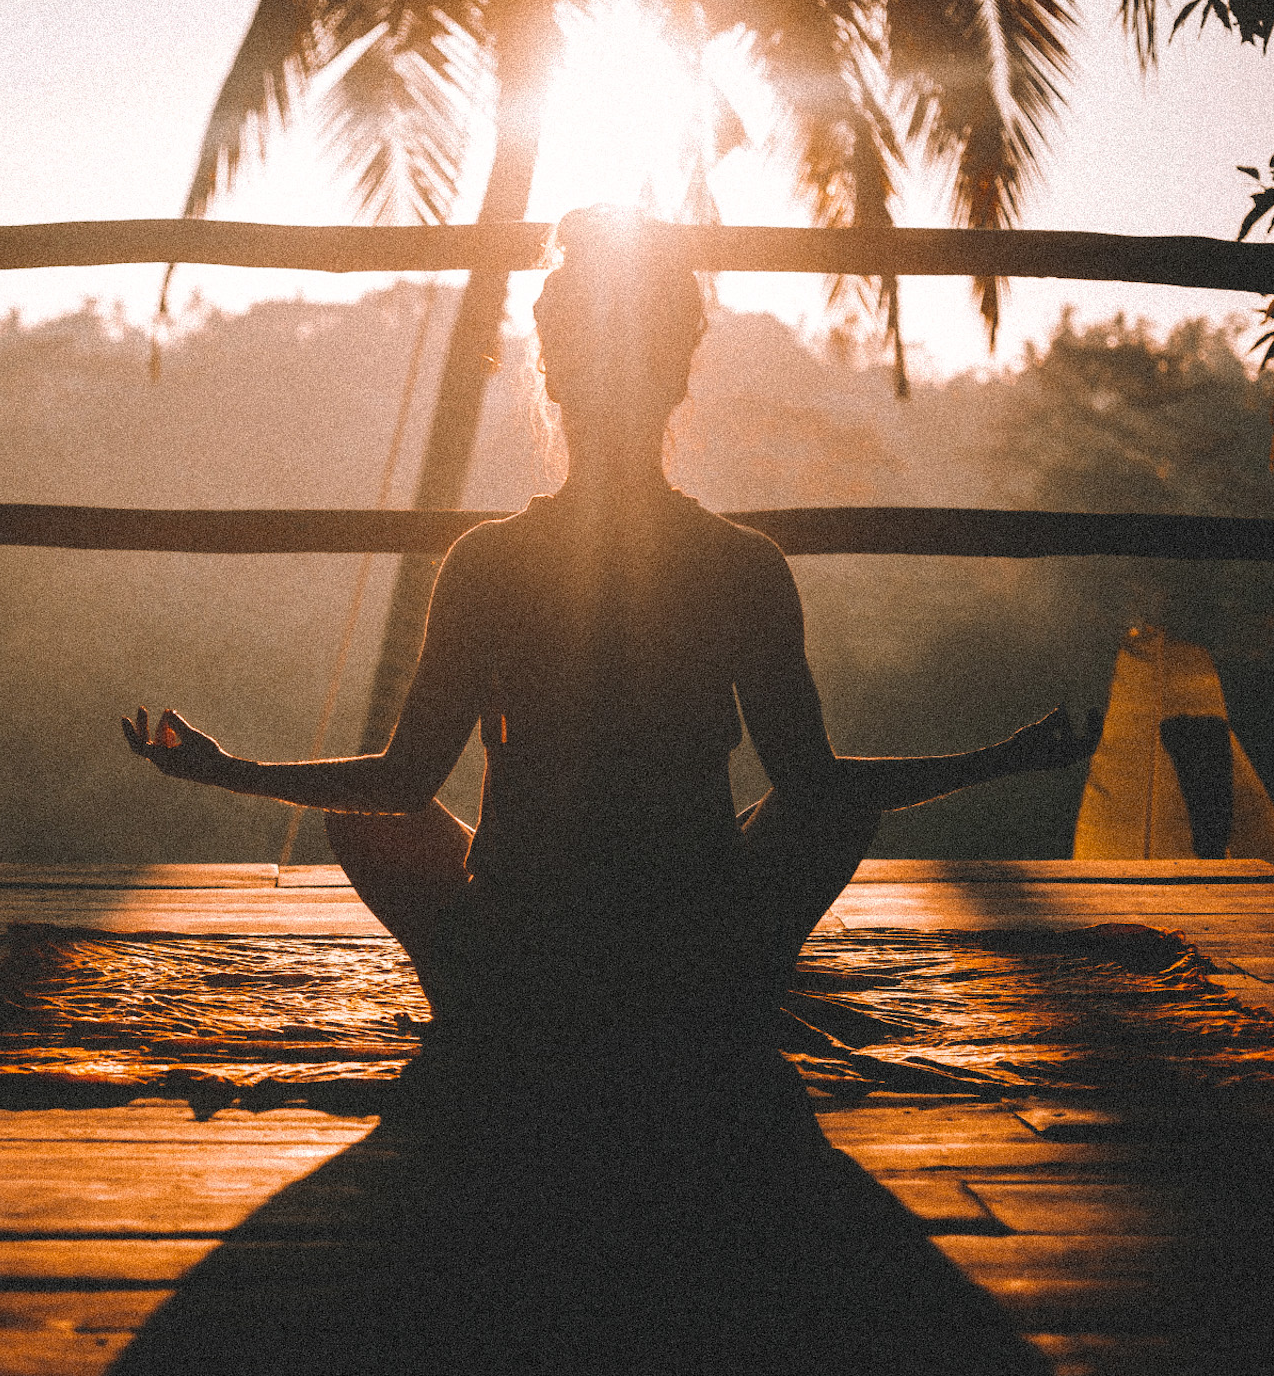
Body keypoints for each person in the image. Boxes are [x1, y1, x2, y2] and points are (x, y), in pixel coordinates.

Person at [117, 206, 1090, 1373]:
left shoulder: (487, 562)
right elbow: (817, 787)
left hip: (520, 955)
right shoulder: (739, 564)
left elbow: (398, 781)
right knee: (815, 813)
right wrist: (1003, 758)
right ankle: (703, 1017)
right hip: (692, 956)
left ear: (552, 370)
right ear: (678, 374)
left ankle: (495, 1020)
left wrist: (228, 771)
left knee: (363, 820)